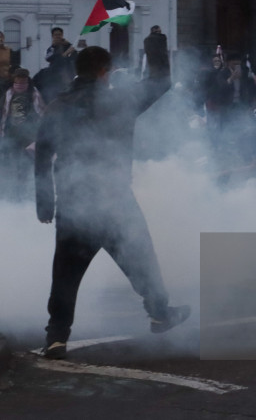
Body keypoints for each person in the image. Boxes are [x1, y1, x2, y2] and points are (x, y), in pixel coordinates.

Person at [34, 46, 190, 360]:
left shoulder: (57, 107)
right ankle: (160, 314)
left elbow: (42, 155)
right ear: (104, 72)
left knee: (65, 275)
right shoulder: (119, 100)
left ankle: (56, 337)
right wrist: (154, 44)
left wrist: (45, 202)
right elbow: (161, 81)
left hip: (74, 203)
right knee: (142, 261)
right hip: (115, 201)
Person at [0, 68, 45, 201]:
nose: (20, 85)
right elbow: (3, 112)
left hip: (27, 136)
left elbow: (42, 111)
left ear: (27, 81)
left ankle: (22, 192)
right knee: (11, 164)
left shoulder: (33, 93)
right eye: (17, 82)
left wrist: (42, 130)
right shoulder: (8, 93)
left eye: (23, 82)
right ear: (14, 81)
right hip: (11, 135)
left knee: (25, 165)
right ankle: (12, 192)